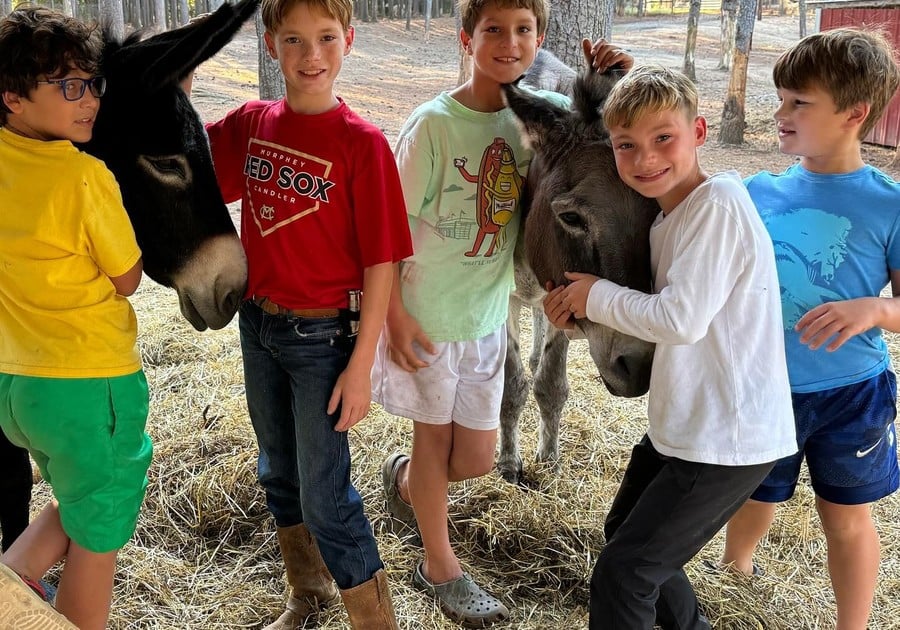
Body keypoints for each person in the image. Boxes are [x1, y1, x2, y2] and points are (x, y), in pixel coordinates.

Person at [372, 0, 631, 623]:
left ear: (541, 38)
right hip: (429, 317)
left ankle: (407, 481)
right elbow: (387, 228)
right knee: (437, 444)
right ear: (467, 38)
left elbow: (599, 135)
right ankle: (441, 568)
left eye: (524, 30)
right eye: (493, 29)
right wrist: (391, 318)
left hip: (487, 318)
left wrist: (613, 79)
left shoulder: (537, 122)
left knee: (477, 460)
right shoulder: (434, 124)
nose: (509, 42)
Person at [541, 64, 797, 629]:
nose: (645, 158)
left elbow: (680, 319)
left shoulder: (717, 206)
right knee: (631, 548)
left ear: (700, 133)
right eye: (626, 145)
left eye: (664, 139)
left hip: (726, 437)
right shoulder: (665, 223)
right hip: (684, 427)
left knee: (625, 574)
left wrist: (596, 295)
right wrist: (577, 314)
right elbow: (657, 321)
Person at [198, 0, 412, 627]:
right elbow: (186, 164)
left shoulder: (362, 145)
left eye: (325, 38)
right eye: (293, 39)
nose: (310, 55)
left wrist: (362, 362)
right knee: (277, 471)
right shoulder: (251, 124)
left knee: (326, 496)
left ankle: (375, 621)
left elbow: (382, 263)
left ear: (348, 39)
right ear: (270, 45)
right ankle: (308, 594)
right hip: (258, 325)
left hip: (324, 339)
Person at [718, 28, 900, 630]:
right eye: (781, 98)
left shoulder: (887, 204)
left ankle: (854, 624)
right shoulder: (755, 193)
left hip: (852, 395)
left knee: (845, 515)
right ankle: (735, 574)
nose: (781, 113)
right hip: (765, 386)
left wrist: (872, 311)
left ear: (855, 114)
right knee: (756, 494)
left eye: (800, 102)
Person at [0, 6, 151, 630]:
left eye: (91, 84)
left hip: (18, 390)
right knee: (98, 539)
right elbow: (128, 278)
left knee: (85, 500)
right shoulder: (84, 178)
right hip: (92, 385)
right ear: (11, 96)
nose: (88, 100)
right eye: (68, 87)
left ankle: (11, 591)